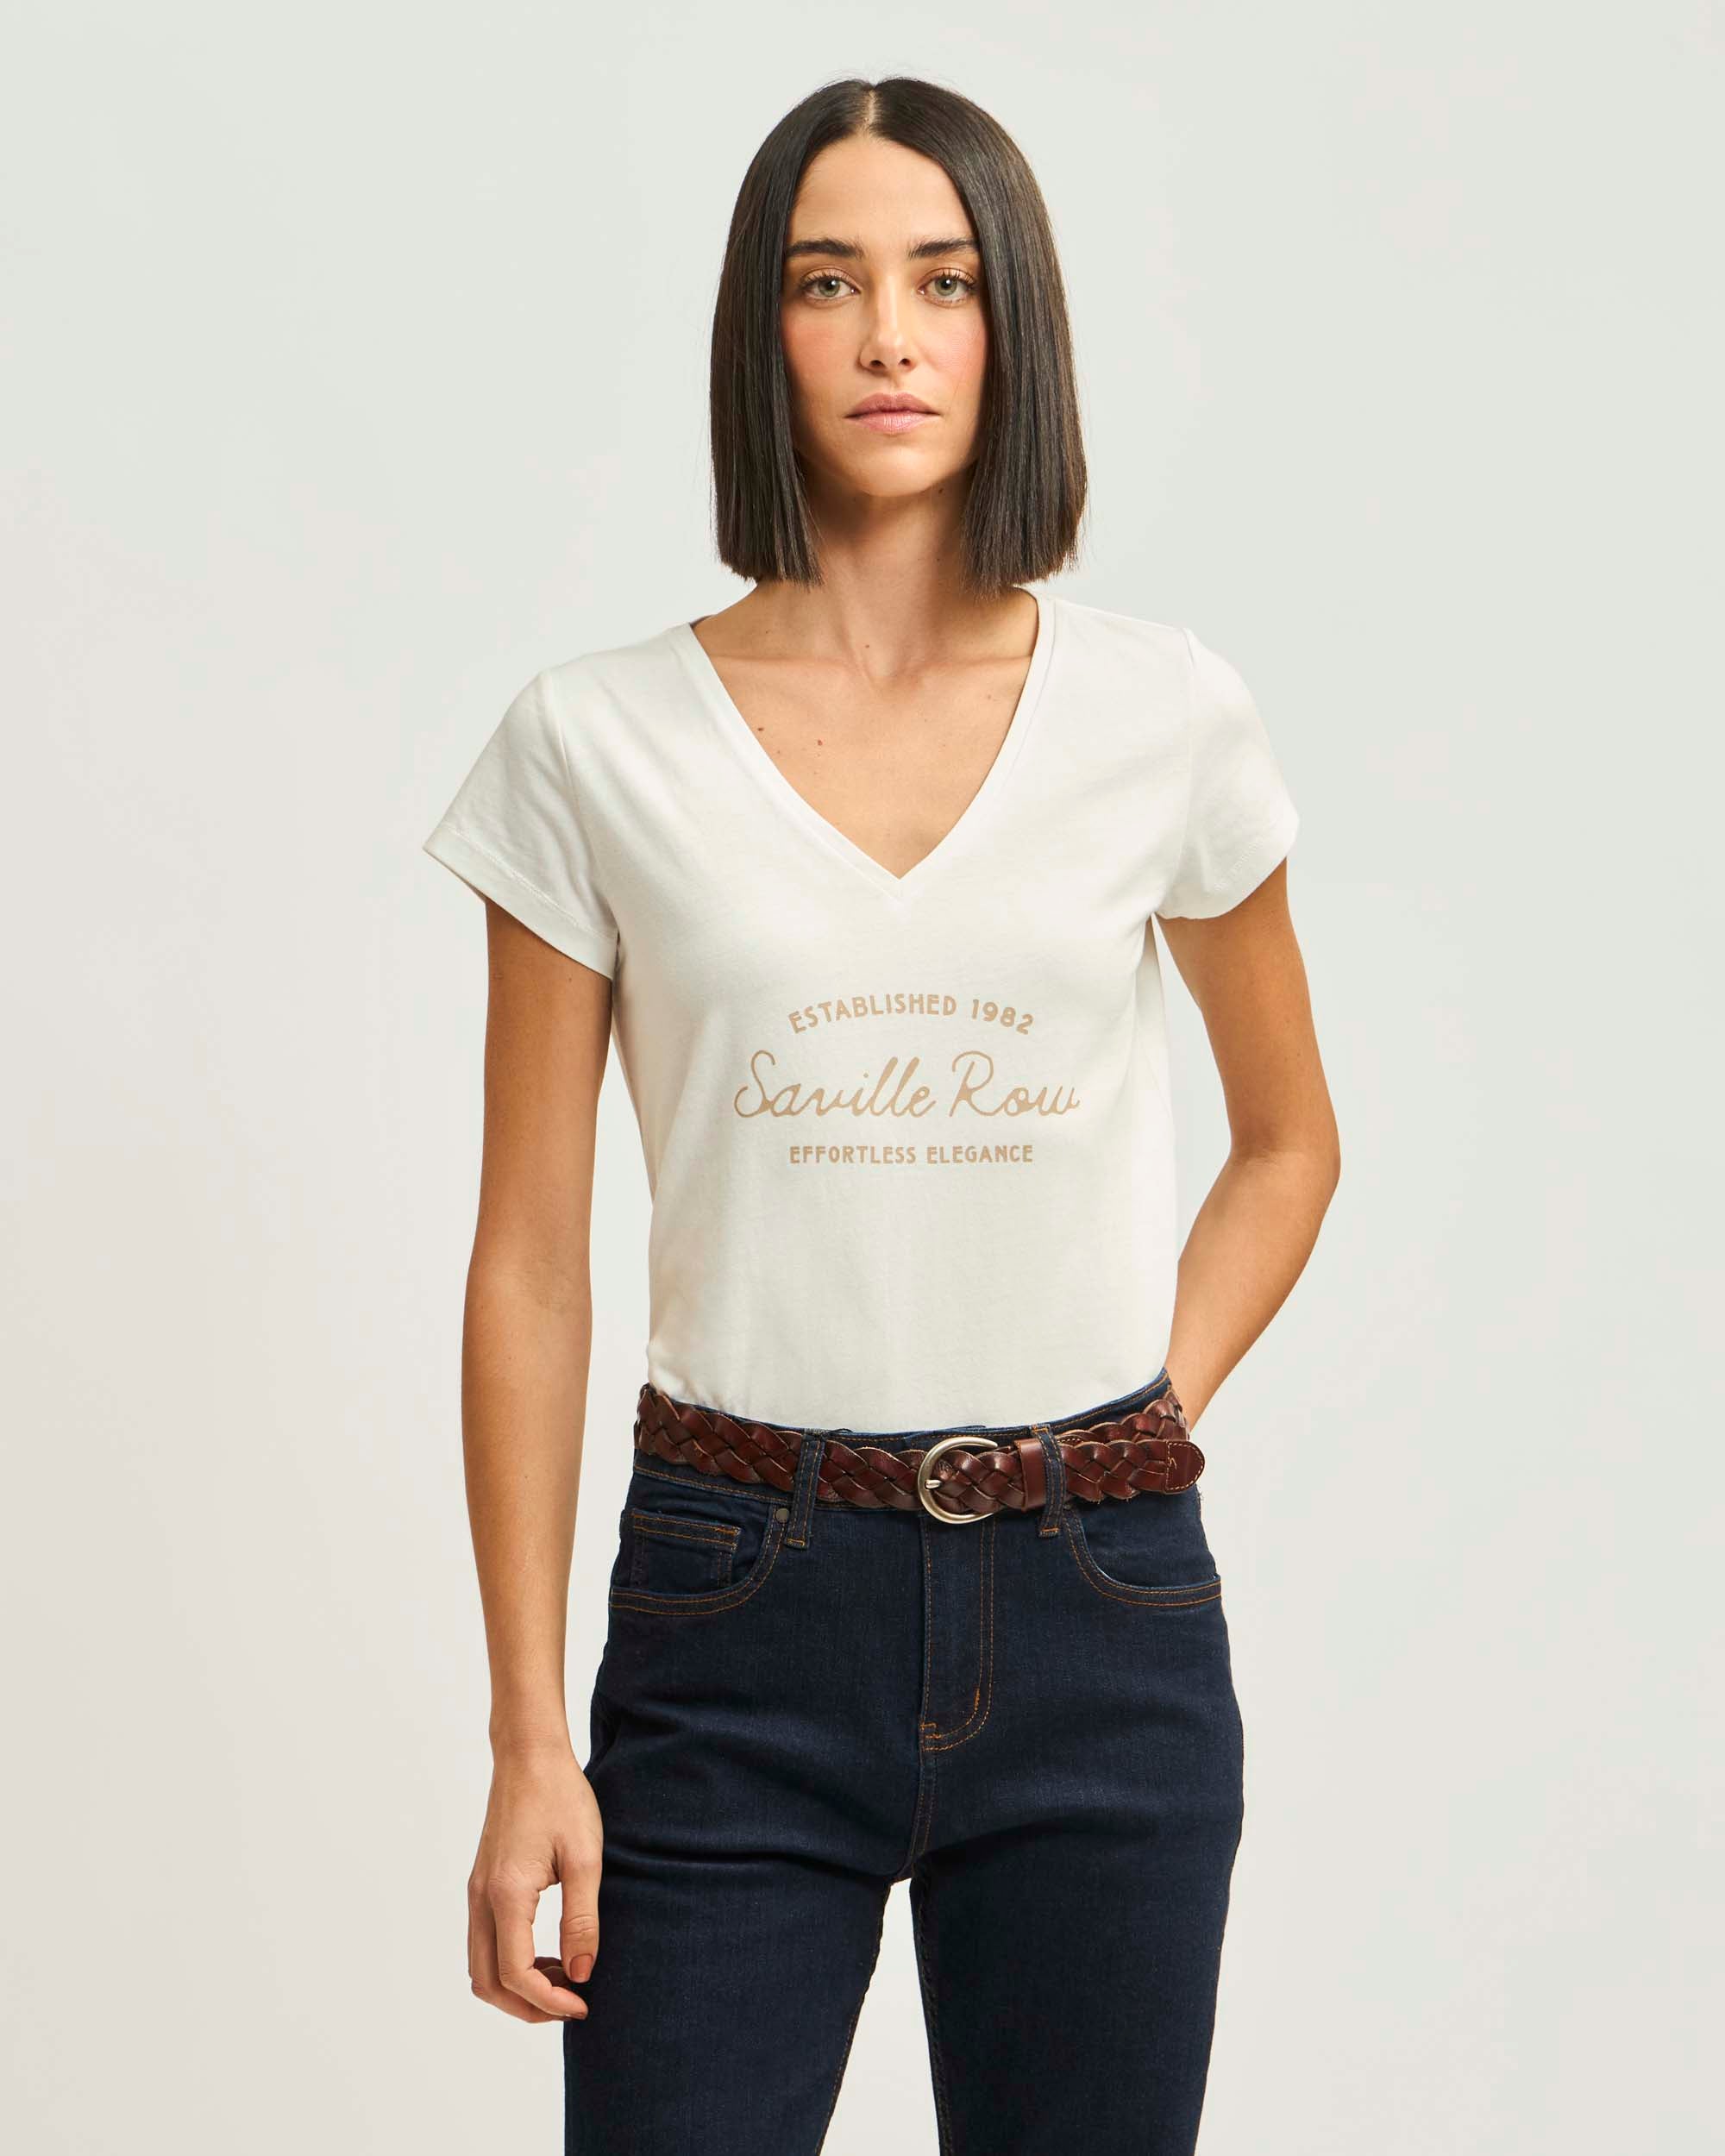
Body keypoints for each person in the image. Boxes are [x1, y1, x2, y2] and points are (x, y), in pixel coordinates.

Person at [422, 72, 1339, 2156]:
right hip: (731, 1611)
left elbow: (1289, 1140)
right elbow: (530, 1261)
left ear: (1014, 325)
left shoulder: (1163, 717)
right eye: (826, 283)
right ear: (762, 333)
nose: (889, 336)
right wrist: (526, 1733)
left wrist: (1136, 1421)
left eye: (943, 280)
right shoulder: (593, 744)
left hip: (1104, 1621)